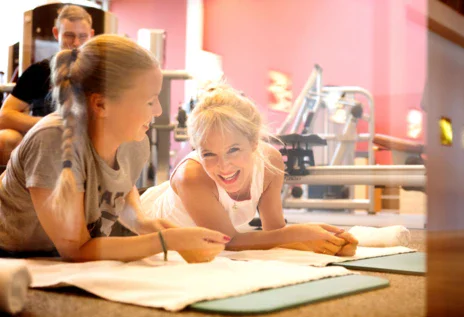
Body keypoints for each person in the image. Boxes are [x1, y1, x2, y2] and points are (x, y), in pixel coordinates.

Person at [0, 34, 229, 263]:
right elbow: (75, 249)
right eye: (149, 101)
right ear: (101, 104)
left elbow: (121, 190)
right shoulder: (53, 140)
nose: (158, 110)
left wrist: (149, 225)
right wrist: (167, 241)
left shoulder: (135, 142)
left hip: (51, 258)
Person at [141, 85, 358, 255]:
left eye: (233, 150)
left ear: (254, 142)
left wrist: (327, 240)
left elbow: (274, 231)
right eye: (209, 154)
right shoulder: (192, 176)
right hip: (138, 227)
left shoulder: (269, 162)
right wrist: (300, 234)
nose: (224, 166)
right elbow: (228, 241)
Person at [0, 5, 95, 165]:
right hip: (44, 138)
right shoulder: (40, 71)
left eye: (82, 36)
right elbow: (4, 115)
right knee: (4, 138)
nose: (76, 43)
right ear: (56, 34)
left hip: (87, 140)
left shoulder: (99, 73)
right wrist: (50, 124)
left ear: (91, 35)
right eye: (69, 35)